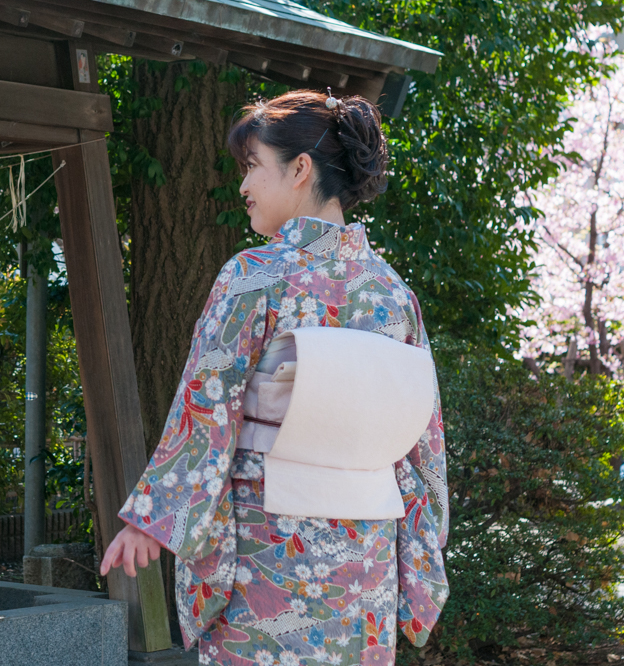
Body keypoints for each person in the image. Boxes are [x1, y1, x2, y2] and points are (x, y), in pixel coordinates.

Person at [100, 90, 449, 666]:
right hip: (366, 564)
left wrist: (153, 520)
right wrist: (424, 542)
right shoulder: (393, 292)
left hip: (271, 552)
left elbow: (206, 409)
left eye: (253, 168)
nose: (243, 187)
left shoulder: (254, 277)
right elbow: (424, 441)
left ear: (300, 170)